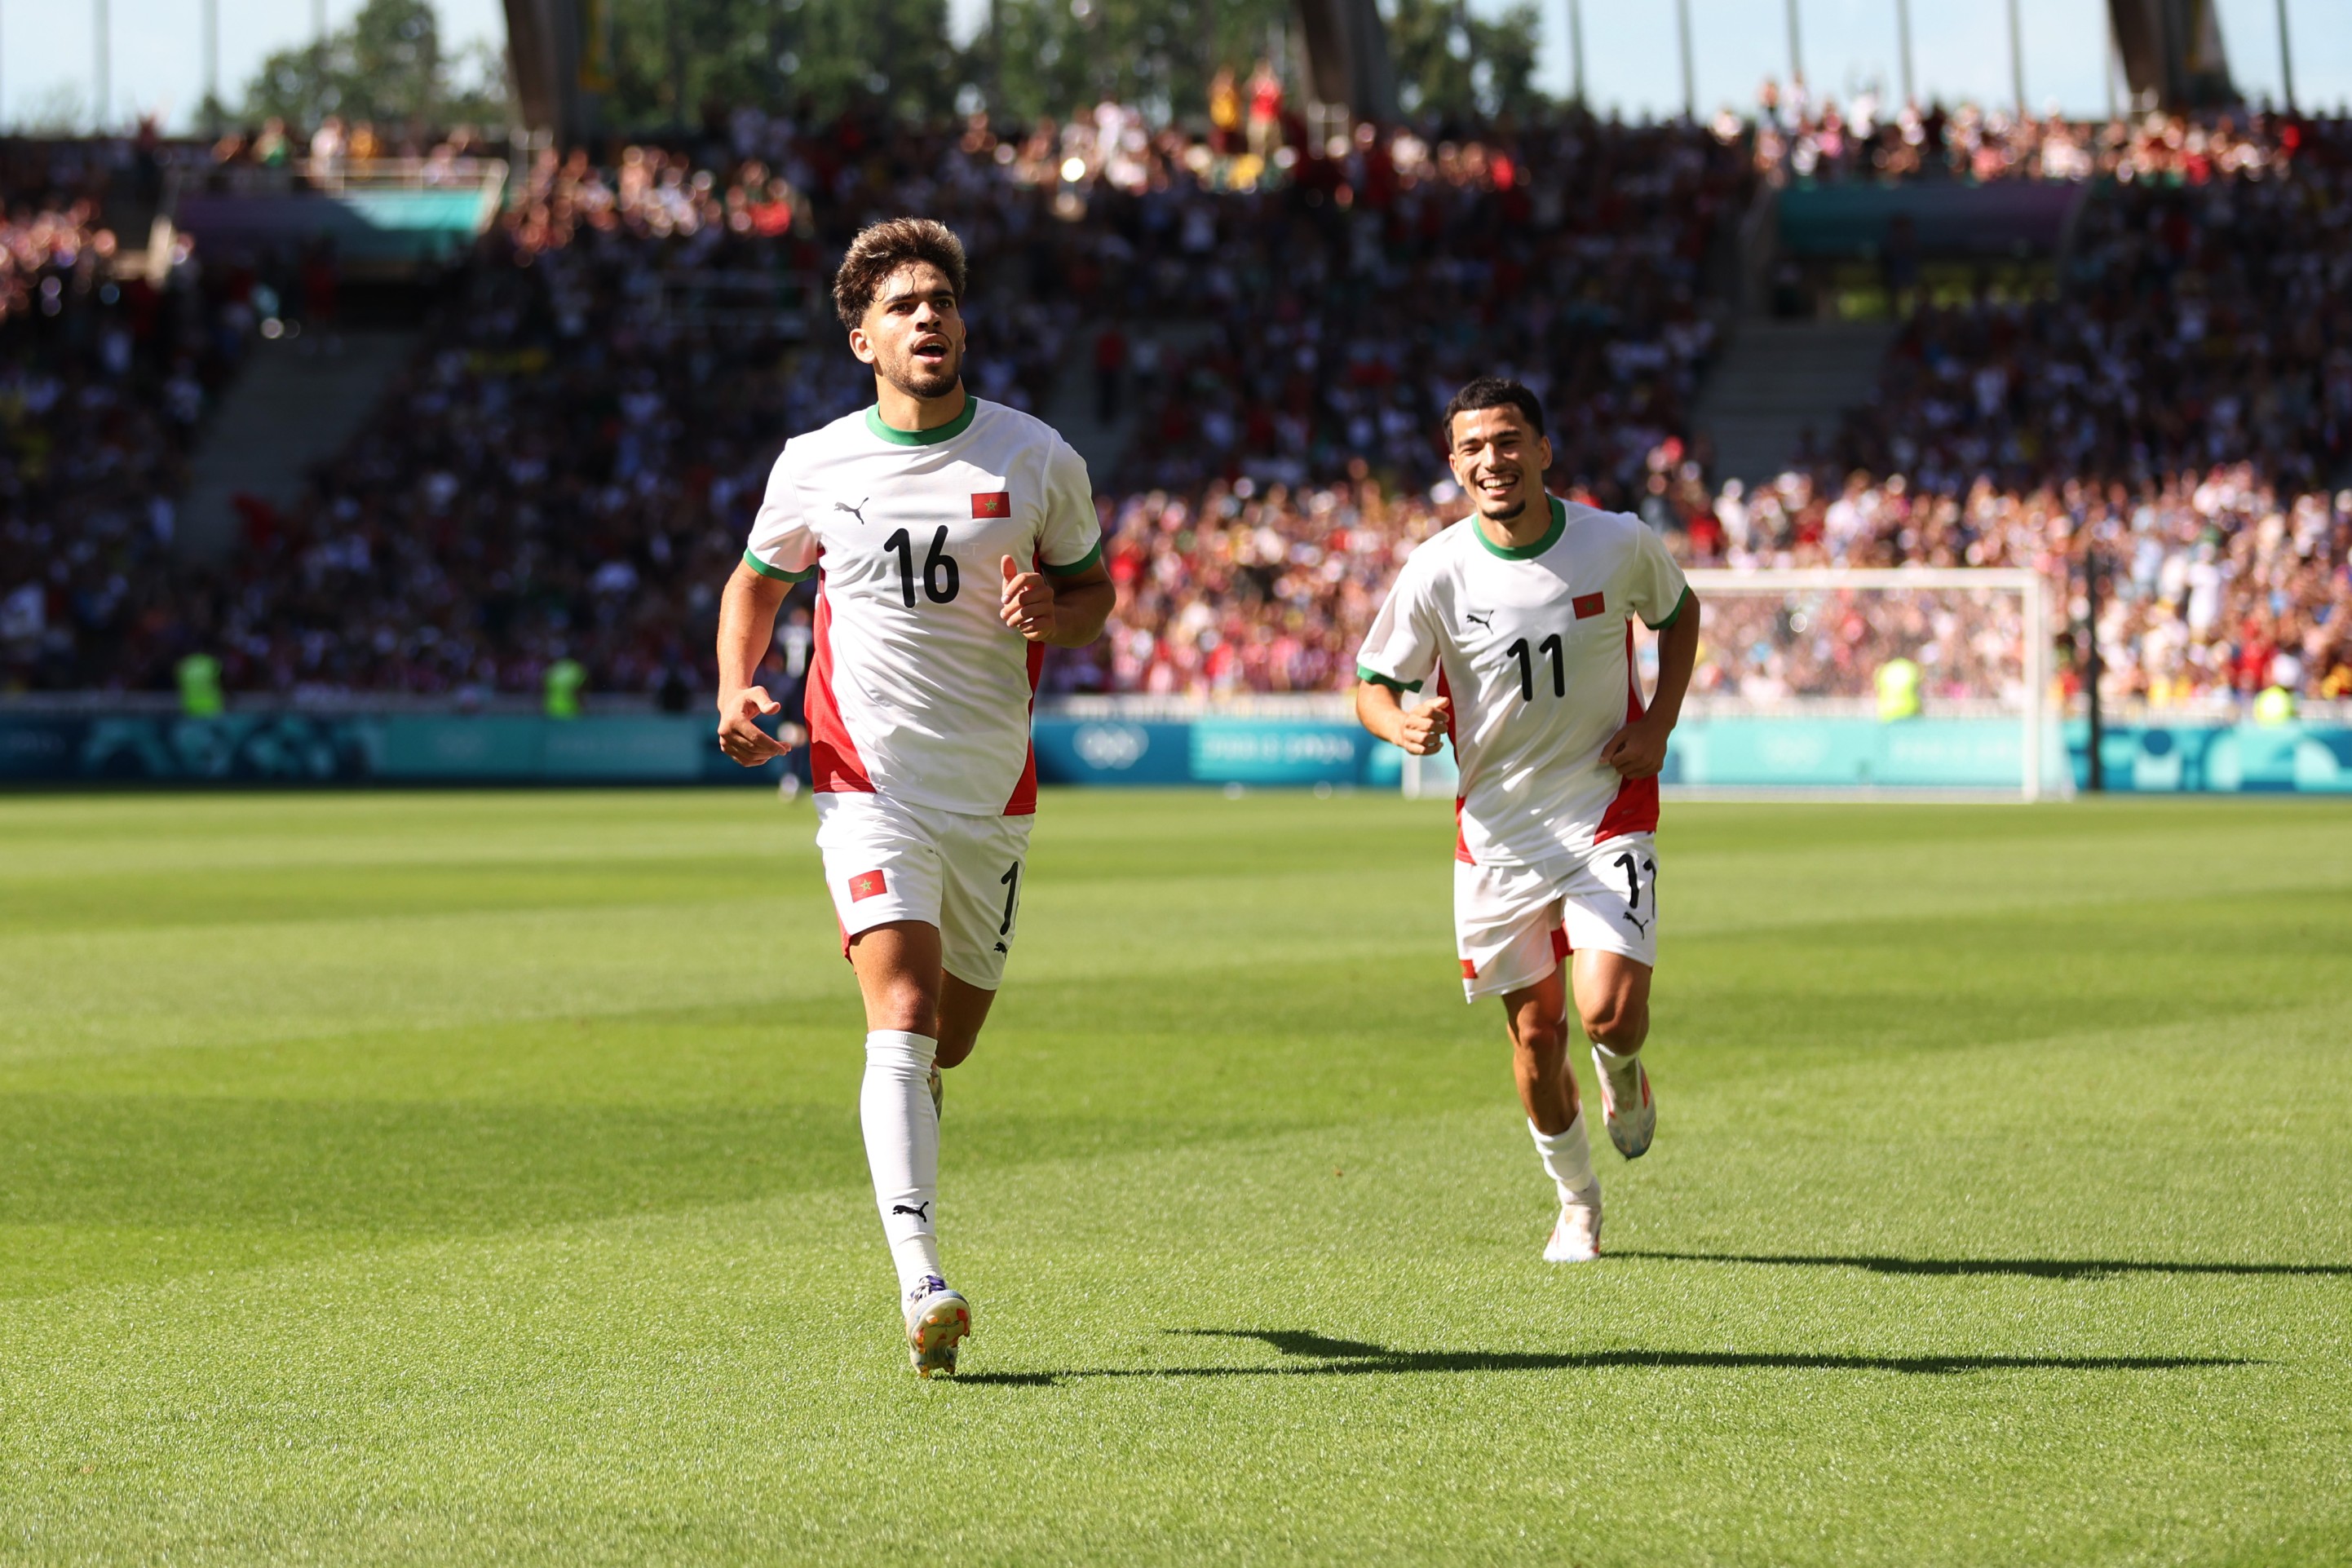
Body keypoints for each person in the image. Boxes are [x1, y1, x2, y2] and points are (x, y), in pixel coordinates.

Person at [713, 218, 1115, 1376]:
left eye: (941, 298)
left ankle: (913, 1147)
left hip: (989, 786)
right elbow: (756, 582)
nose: (927, 316)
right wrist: (739, 688)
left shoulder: (1036, 455)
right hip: (863, 774)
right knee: (900, 1010)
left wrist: (1057, 610)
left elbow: (1094, 593)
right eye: (902, 306)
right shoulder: (817, 460)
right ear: (862, 339)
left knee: (953, 1036)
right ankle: (920, 1277)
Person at [1354, 377, 1700, 1264]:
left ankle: (1622, 1073)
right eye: (1472, 447)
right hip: (1500, 830)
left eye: (1508, 441)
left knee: (1608, 1015)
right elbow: (1373, 683)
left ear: (1543, 451)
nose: (1491, 460)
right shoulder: (1435, 569)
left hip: (1602, 804)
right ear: (1453, 464)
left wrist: (1656, 723)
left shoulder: (1615, 541)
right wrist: (1400, 723)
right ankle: (1577, 1202)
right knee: (1536, 1035)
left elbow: (1679, 611)